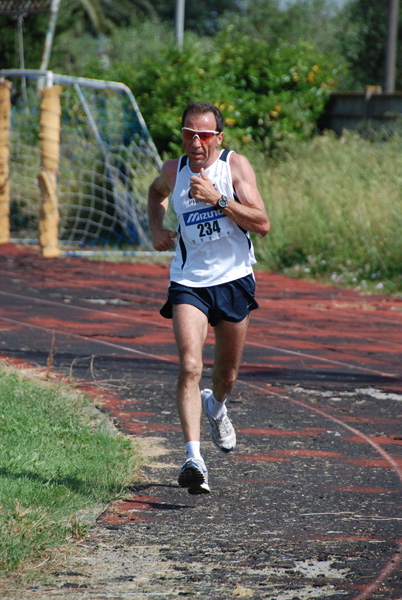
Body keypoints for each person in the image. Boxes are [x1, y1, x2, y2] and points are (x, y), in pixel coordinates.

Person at [147, 101, 270, 494]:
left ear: (219, 137)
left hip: (234, 279)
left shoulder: (234, 167)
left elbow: (262, 224)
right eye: (188, 133)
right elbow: (156, 194)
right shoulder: (173, 170)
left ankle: (216, 405)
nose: (195, 142)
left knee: (226, 376)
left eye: (203, 135)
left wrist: (218, 199)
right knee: (189, 364)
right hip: (189, 282)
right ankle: (193, 458)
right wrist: (156, 229)